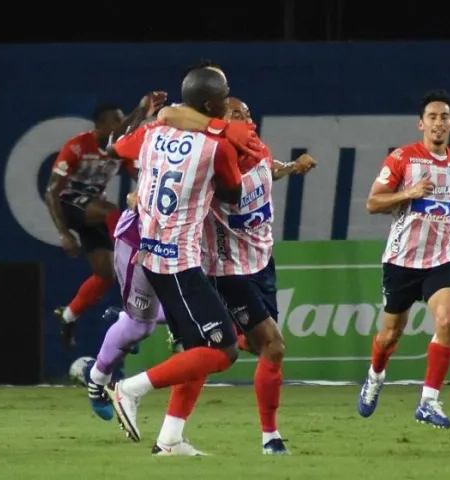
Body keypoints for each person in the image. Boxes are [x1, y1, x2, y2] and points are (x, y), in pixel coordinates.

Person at [108, 67, 258, 456]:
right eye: (225, 96)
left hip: (152, 252)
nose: (229, 102)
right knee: (224, 351)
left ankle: (170, 439)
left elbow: (119, 147)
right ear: (211, 104)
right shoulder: (218, 148)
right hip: (180, 260)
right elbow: (232, 195)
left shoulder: (153, 133)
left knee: (195, 350)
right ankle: (129, 389)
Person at [158, 97, 316, 455]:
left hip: (262, 264)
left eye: (247, 113)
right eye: (236, 115)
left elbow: (267, 168)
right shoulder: (210, 161)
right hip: (228, 271)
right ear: (218, 122)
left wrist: (292, 167)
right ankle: (270, 438)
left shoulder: (258, 148)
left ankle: (170, 434)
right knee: (273, 345)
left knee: (236, 346)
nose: (246, 120)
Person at [358, 89, 450, 429]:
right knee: (390, 334)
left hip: (440, 258)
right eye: (433, 117)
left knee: (448, 321)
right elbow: (373, 203)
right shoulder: (402, 158)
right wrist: (409, 192)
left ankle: (428, 401)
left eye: (444, 117)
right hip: (401, 260)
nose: (438, 123)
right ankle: (375, 376)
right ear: (421, 124)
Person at [46, 94, 166, 348]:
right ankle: (133, 262)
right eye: (116, 122)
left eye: (123, 121)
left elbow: (141, 174)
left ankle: (68, 315)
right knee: (112, 211)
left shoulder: (120, 150)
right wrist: (63, 233)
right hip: (69, 204)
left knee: (105, 274)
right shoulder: (78, 146)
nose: (121, 126)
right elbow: (52, 191)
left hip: (92, 208)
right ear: (100, 126)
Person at [81, 191, 167, 421]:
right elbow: (135, 194)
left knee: (200, 308)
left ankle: (122, 318)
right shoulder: (165, 155)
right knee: (141, 326)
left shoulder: (222, 159)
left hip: (184, 240)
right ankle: (97, 379)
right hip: (140, 242)